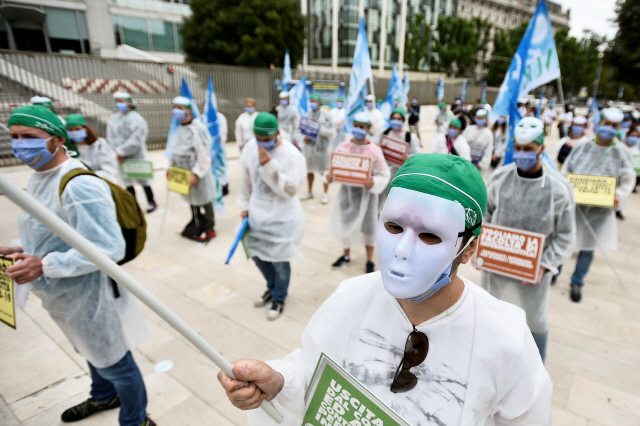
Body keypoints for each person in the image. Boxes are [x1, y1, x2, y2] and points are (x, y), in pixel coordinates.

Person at [217, 154, 552, 426]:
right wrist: (278, 385)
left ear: (467, 249)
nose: (403, 249)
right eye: (393, 226)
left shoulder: (504, 338)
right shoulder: (351, 297)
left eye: (430, 235)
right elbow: (315, 375)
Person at [4, 105, 154, 426]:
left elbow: (107, 248)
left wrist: (43, 264)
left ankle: (135, 420)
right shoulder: (41, 177)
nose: (19, 144)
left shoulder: (78, 186)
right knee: (92, 353)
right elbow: (54, 233)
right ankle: (103, 396)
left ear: (58, 140)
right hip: (65, 296)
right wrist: (22, 250)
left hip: (90, 296)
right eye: (14, 137)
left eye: (29, 137)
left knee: (117, 364)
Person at [482, 117, 576, 362]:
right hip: (496, 267)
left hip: (532, 276)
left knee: (533, 322)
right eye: (518, 149)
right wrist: (481, 246)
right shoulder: (500, 179)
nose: (522, 154)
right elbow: (487, 213)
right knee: (493, 317)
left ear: (542, 150)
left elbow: (565, 235)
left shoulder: (558, 189)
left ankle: (536, 371)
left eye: (529, 149)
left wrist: (545, 264)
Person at [561, 108, 636, 302]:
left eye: (614, 126)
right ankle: (554, 271)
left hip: (599, 211)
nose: (609, 129)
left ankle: (577, 282)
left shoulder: (621, 152)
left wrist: (619, 194)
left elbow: (629, 178)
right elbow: (567, 168)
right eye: (607, 124)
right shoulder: (583, 146)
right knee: (564, 239)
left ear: (619, 128)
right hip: (575, 206)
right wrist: (566, 188)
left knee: (588, 246)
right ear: (599, 123)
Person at [239, 112, 306, 320]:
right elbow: (246, 179)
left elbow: (291, 189)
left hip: (282, 218)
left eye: (267, 140)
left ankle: (279, 296)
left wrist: (270, 165)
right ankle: (270, 287)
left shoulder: (291, 154)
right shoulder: (251, 147)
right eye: (259, 139)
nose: (262, 143)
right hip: (257, 213)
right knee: (258, 256)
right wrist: (244, 206)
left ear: (277, 133)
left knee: (280, 262)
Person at [325, 112, 391, 273]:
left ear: (368, 128)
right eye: (355, 126)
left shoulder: (374, 151)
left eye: (362, 127)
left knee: (369, 228)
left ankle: (369, 260)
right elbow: (332, 168)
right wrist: (329, 177)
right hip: (347, 196)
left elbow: (384, 173)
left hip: (367, 198)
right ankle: (346, 255)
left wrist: (374, 182)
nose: (358, 129)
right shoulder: (343, 147)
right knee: (346, 224)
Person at [167, 96, 217, 242]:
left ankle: (209, 226)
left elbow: (203, 155)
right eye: (175, 107)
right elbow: (174, 150)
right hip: (182, 171)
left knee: (204, 199)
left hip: (196, 171)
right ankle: (195, 220)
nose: (177, 111)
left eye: (180, 108)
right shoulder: (178, 129)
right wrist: (170, 168)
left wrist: (196, 174)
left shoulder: (198, 129)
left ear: (189, 111)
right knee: (190, 199)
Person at [107, 92, 157, 213]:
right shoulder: (114, 118)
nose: (119, 104)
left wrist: (120, 152)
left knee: (143, 180)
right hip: (120, 157)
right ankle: (133, 204)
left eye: (122, 101)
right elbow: (110, 136)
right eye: (117, 101)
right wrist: (116, 152)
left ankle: (151, 202)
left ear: (129, 102)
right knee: (127, 181)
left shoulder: (137, 119)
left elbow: (137, 139)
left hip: (136, 155)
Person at [378, 108, 421, 206]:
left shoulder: (409, 137)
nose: (396, 121)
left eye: (399, 119)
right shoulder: (385, 134)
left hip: (400, 177)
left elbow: (418, 156)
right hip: (385, 175)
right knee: (382, 204)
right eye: (394, 118)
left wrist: (410, 158)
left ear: (403, 121)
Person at [300, 94, 335, 204]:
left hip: (322, 147)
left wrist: (319, 126)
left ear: (319, 102)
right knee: (309, 170)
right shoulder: (307, 114)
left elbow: (332, 132)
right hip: (309, 147)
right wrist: (304, 138)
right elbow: (301, 130)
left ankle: (325, 194)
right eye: (311, 101)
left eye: (314, 101)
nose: (313, 103)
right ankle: (309, 191)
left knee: (324, 171)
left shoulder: (326, 115)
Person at [65, 113, 119, 182]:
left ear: (85, 129)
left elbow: (109, 170)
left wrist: (86, 177)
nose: (74, 132)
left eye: (77, 129)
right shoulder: (66, 148)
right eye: (70, 130)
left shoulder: (99, 145)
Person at [615, 126, 640, 219]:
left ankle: (619, 210)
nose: (634, 138)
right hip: (616, 174)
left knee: (623, 195)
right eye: (632, 135)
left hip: (627, 177)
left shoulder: (636, 150)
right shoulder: (620, 147)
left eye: (636, 136)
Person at [462, 108, 494, 181]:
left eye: (482, 118)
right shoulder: (469, 129)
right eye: (478, 118)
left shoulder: (488, 133)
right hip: (466, 160)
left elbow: (488, 150)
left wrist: (481, 164)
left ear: (486, 119)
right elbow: (462, 143)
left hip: (479, 164)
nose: (480, 119)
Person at [216, 109, 230, 195]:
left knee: (222, 166)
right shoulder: (204, 117)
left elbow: (223, 131)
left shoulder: (220, 117)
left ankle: (224, 185)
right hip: (209, 147)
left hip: (219, 145)